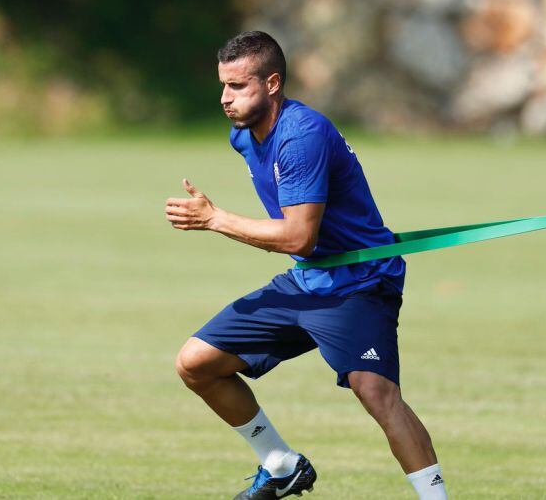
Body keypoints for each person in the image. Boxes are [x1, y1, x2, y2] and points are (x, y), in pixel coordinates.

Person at [165, 31, 448, 500]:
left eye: (238, 87)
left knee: (376, 394)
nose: (225, 99)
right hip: (307, 279)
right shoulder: (243, 135)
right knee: (196, 363)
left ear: (272, 83)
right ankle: (281, 466)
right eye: (223, 86)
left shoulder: (301, 136)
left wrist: (215, 219)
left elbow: (299, 235)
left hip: (359, 284)